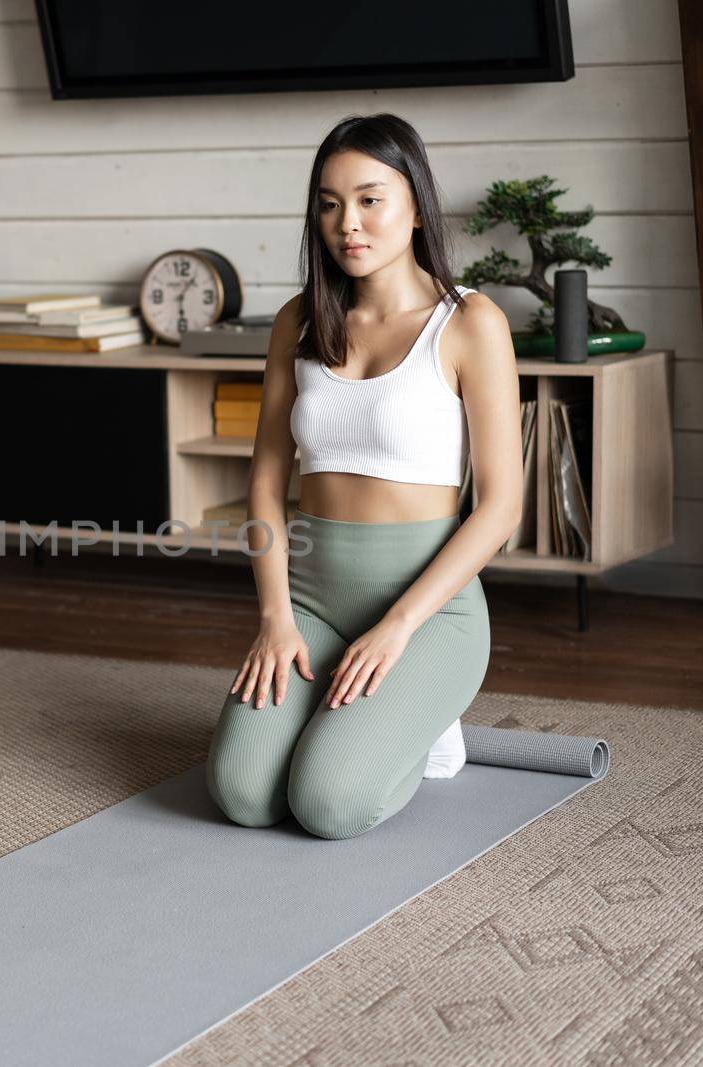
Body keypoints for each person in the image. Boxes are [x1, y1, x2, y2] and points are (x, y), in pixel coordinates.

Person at [205, 113, 525, 841]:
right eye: (328, 202)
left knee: (328, 804)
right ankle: (348, 720)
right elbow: (264, 484)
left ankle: (423, 722)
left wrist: (398, 628)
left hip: (425, 616)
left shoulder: (470, 322)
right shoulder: (298, 322)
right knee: (243, 794)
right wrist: (274, 618)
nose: (347, 222)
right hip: (312, 601)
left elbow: (501, 506)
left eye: (370, 198)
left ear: (415, 204)